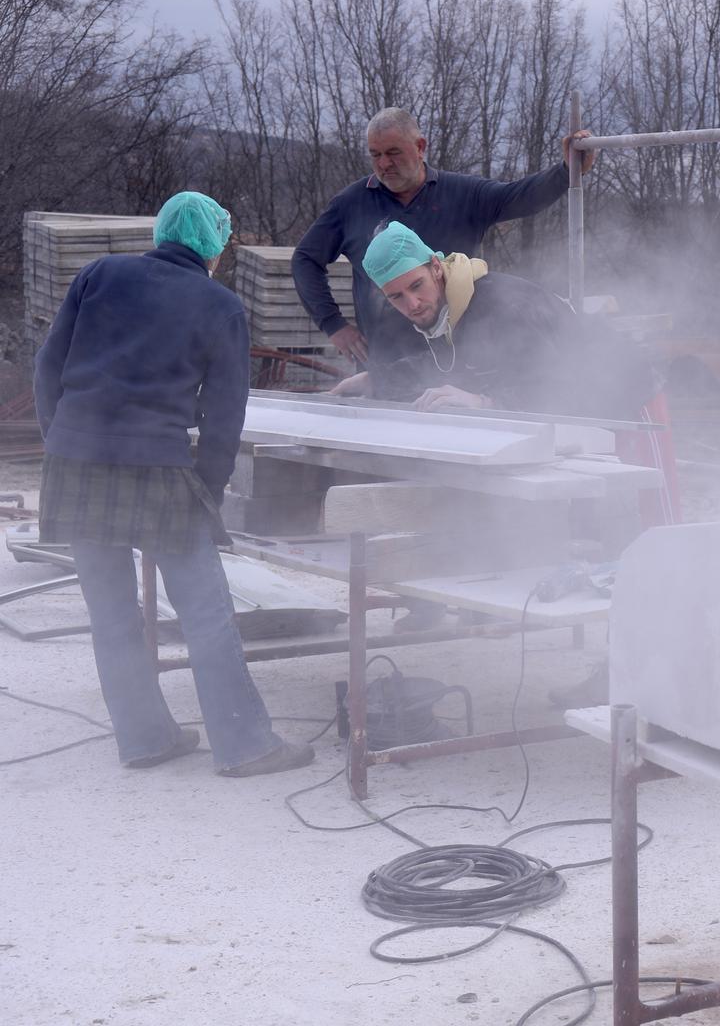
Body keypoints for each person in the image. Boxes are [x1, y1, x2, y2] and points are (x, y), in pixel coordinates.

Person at [33, 192, 315, 775]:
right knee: (206, 614)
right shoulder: (220, 305)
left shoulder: (99, 274)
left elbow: (47, 368)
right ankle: (246, 746)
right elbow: (224, 417)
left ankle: (145, 740)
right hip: (158, 470)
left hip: (76, 462)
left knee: (111, 613)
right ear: (214, 248)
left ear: (162, 233)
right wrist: (208, 490)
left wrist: (62, 439)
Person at [292, 107, 597, 385]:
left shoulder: (462, 194)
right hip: (385, 365)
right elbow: (305, 259)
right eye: (376, 155)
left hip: (459, 364)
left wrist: (565, 171)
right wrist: (333, 324)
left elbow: (520, 197)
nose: (384, 164)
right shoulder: (351, 204)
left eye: (394, 152)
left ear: (420, 147)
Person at [345, 221, 656, 418]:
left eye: (416, 286)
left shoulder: (505, 307)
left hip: (628, 402)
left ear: (436, 267)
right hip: (579, 417)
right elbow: (453, 364)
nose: (411, 304)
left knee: (630, 506)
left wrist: (483, 403)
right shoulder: (451, 310)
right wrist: (378, 380)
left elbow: (557, 385)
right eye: (396, 297)